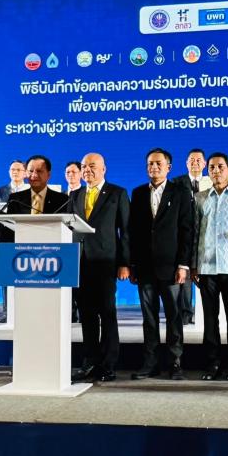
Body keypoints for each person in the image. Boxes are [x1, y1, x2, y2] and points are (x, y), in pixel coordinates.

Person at [128, 148, 192, 380]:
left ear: (168, 167)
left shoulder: (180, 192)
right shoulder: (137, 193)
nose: (153, 167)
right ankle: (151, 363)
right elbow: (132, 231)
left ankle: (175, 363)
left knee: (174, 317)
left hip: (172, 267)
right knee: (149, 318)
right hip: (144, 267)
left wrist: (183, 265)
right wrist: (132, 264)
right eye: (150, 164)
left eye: (158, 163)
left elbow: (187, 230)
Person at [69, 153, 130, 382]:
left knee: (107, 314)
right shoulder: (75, 194)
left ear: (104, 169)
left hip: (106, 263)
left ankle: (108, 364)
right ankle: (90, 362)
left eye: (92, 166)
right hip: (79, 263)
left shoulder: (117, 193)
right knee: (87, 315)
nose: (87, 170)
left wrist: (124, 263)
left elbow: (126, 231)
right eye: (84, 166)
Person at [192, 152, 228, 381]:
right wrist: (194, 265)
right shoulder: (199, 198)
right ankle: (212, 363)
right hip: (206, 267)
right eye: (212, 167)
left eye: (220, 167)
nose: (216, 171)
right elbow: (195, 233)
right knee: (210, 319)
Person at [2, 155, 71, 324]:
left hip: (52, 261)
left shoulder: (62, 200)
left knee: (48, 312)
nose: (34, 175)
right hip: (23, 260)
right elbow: (8, 232)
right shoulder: (15, 199)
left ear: (49, 174)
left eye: (39, 171)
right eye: (31, 171)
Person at [172, 148, 206, 325]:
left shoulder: (211, 182)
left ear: (205, 163)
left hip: (205, 236)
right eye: (192, 160)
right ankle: (185, 313)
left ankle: (206, 314)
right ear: (186, 163)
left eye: (199, 160)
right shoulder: (176, 183)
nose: (195, 163)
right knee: (184, 274)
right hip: (184, 234)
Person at [64, 160, 84, 322]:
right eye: (67, 172)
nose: (70, 175)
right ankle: (70, 313)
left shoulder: (86, 193)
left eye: (74, 172)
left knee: (82, 281)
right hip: (63, 244)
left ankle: (84, 311)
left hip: (82, 244)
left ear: (81, 174)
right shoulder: (59, 195)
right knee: (66, 280)